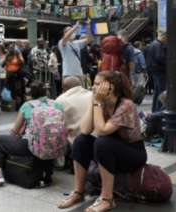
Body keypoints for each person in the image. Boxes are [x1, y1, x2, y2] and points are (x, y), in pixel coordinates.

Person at [58, 71, 147, 212]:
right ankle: (78, 192)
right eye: (94, 84)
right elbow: (85, 130)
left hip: (133, 153)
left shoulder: (126, 105)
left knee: (103, 142)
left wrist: (98, 103)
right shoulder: (101, 102)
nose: (94, 87)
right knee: (81, 141)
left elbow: (102, 131)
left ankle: (107, 199)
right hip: (111, 148)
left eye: (98, 84)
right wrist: (94, 101)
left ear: (111, 87)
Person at [0, 80, 63, 186]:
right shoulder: (57, 105)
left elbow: (14, 131)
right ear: (46, 92)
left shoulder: (27, 105)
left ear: (30, 94)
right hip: (55, 146)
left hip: (32, 147)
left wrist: (12, 140)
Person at [56, 76, 93, 145]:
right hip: (96, 138)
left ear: (63, 89)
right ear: (80, 85)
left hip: (75, 141)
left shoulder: (60, 100)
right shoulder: (92, 95)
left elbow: (57, 125)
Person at [146, 31, 167, 112]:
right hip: (160, 71)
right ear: (164, 37)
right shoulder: (158, 45)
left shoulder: (153, 44)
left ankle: (155, 109)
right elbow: (160, 57)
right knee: (161, 91)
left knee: (157, 92)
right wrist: (167, 62)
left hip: (155, 71)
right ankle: (160, 109)